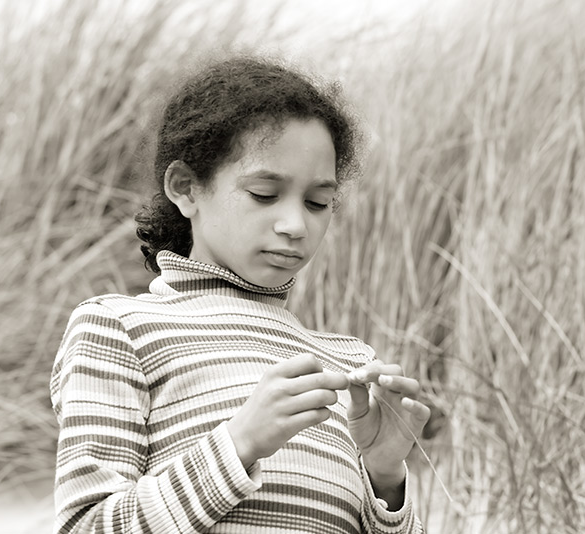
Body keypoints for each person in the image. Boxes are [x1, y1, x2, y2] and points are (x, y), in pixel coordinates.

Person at [50, 56, 430, 533]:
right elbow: (85, 526)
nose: (295, 225)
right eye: (265, 194)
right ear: (186, 188)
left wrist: (385, 476)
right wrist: (237, 445)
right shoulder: (118, 327)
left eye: (318, 202)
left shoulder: (347, 364)